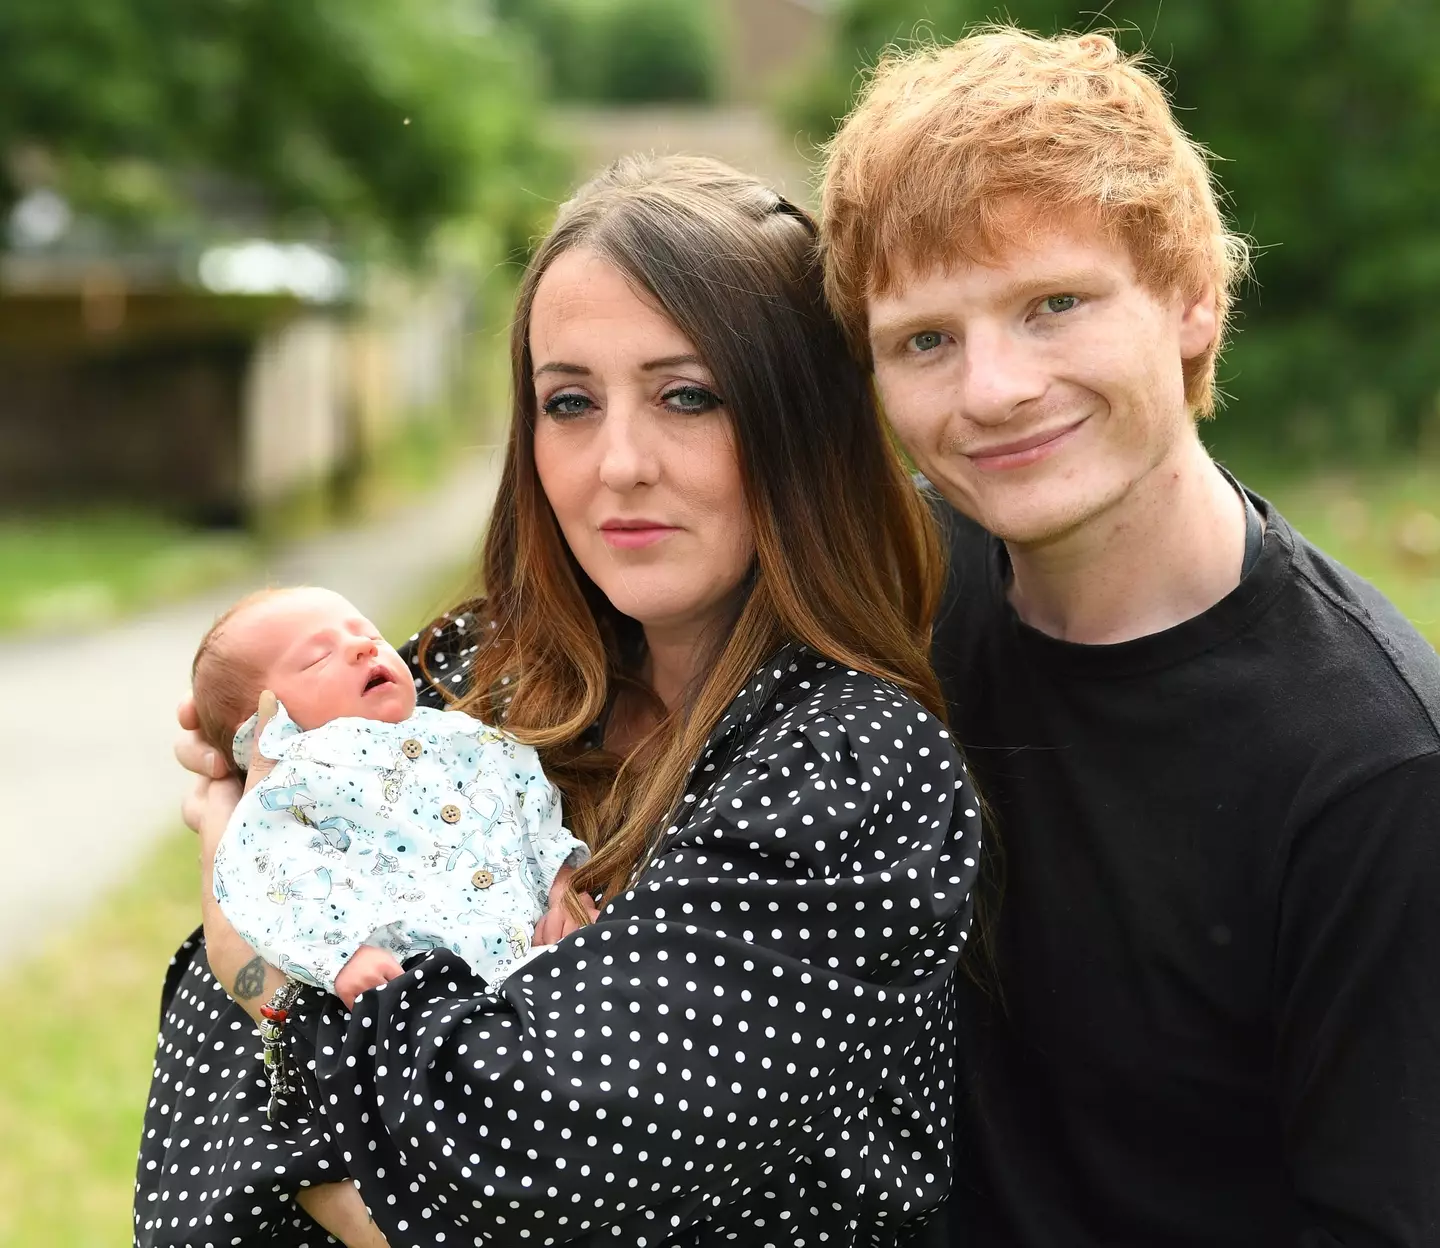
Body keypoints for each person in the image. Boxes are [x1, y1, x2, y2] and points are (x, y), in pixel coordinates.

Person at [134, 155, 982, 1247]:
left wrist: (268, 980)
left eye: (688, 395)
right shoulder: (463, 673)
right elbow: (200, 1110)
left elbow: (523, 1180)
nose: (616, 463)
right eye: (569, 402)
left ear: (801, 424)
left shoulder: (852, 776)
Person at [821, 26, 1440, 1247]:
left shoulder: (1375, 769)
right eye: (925, 341)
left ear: (1194, 298)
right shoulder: (888, 601)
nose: (991, 388)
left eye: (1053, 306)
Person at [193, 585, 591, 1005]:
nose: (363, 647)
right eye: (317, 657)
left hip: (539, 953)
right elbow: (272, 873)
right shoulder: (294, 786)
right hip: (422, 984)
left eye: (369, 634)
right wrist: (342, 954)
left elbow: (530, 798)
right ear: (263, 723)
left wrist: (561, 884)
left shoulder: (462, 735)